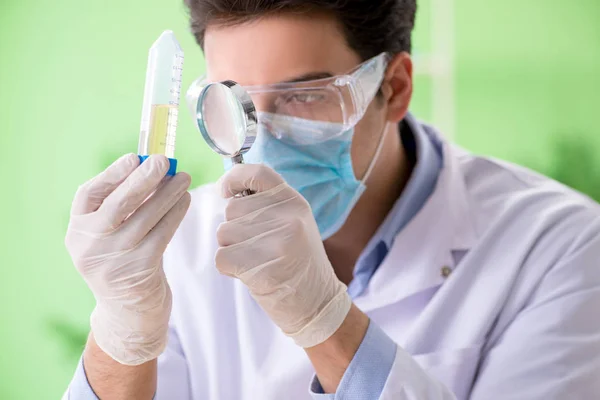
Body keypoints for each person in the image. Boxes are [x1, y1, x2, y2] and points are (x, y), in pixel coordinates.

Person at [63, 0, 600, 399]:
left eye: (305, 96)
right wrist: (121, 335)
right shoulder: (177, 243)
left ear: (394, 87)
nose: (262, 140)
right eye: (234, 99)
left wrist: (325, 322)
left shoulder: (563, 248)